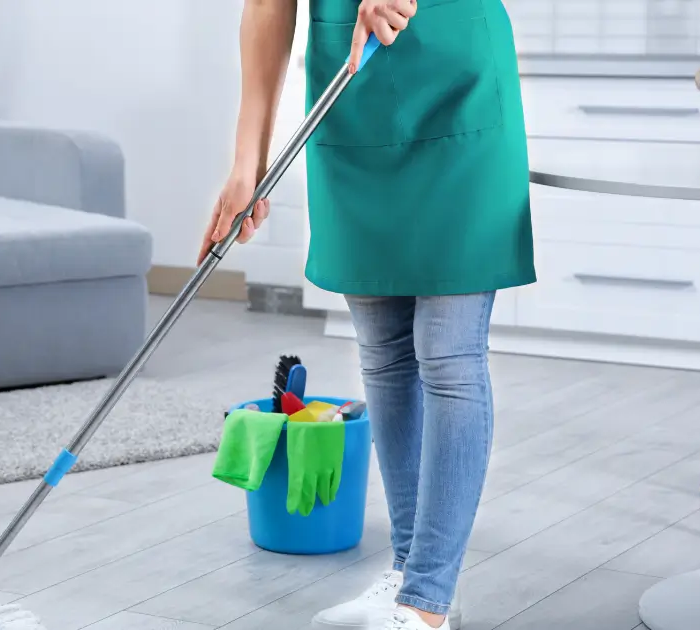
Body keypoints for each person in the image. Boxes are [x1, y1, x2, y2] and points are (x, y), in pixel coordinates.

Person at [199, 0, 534, 628]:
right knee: (383, 351)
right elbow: (266, 10)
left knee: (449, 351)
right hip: (353, 94)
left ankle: (427, 600)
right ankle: (409, 573)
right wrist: (249, 165)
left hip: (458, 83)